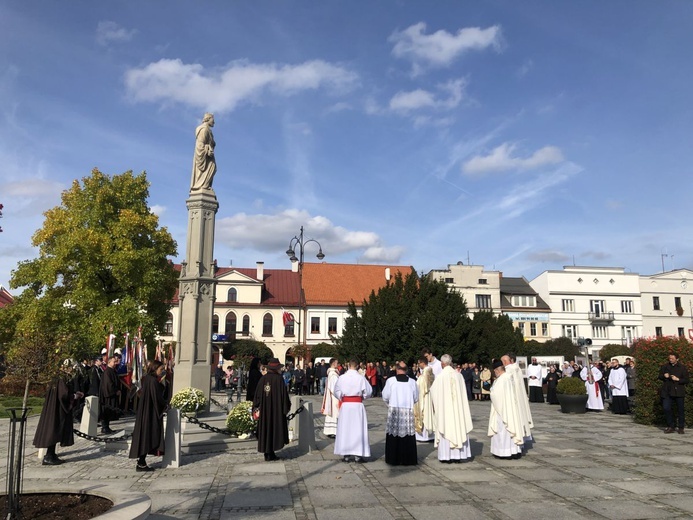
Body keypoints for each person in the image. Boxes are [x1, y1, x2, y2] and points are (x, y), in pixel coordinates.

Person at [33, 362, 84, 465]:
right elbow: (63, 395)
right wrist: (74, 396)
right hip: (57, 410)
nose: (71, 370)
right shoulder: (61, 378)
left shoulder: (58, 377)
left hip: (55, 408)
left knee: (54, 431)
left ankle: (51, 454)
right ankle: (49, 456)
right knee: (54, 431)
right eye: (70, 368)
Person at [429, 354, 474, 463]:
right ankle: (458, 456)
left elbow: (433, 393)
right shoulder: (459, 376)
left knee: (446, 428)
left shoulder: (440, 377)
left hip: (445, 411)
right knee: (458, 427)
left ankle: (446, 456)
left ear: (442, 364)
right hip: (458, 411)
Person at [129, 360, 168, 472]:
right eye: (161, 369)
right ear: (155, 368)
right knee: (148, 437)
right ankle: (141, 463)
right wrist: (166, 405)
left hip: (146, 411)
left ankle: (142, 462)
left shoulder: (148, 379)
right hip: (150, 413)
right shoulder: (153, 381)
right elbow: (157, 398)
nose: (162, 371)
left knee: (146, 437)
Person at [333, 360, 373, 463]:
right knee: (358, 429)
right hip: (357, 406)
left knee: (345, 428)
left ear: (348, 366)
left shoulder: (342, 378)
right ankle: (358, 455)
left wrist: (342, 397)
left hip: (346, 406)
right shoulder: (361, 378)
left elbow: (336, 391)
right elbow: (368, 391)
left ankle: (346, 454)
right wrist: (362, 397)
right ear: (357, 366)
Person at [253, 358, 291, 461]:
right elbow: (284, 396)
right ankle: (271, 452)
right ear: (277, 369)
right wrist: (285, 408)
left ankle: (267, 452)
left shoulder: (263, 379)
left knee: (266, 430)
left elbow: (257, 396)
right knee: (274, 430)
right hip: (276, 411)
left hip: (265, 412)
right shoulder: (279, 379)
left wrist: (257, 407)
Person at [382, 362, 419, 465]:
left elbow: (385, 396)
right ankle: (408, 460)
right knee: (407, 435)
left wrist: (390, 404)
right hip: (407, 411)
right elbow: (416, 397)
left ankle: (393, 459)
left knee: (394, 435)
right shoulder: (412, 382)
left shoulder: (391, 381)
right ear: (406, 370)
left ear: (397, 370)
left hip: (395, 410)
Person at [487, 361, 524, 458]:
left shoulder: (501, 380)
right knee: (512, 428)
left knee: (503, 430)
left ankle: (505, 452)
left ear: (497, 370)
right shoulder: (509, 377)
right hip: (511, 408)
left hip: (502, 410)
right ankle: (514, 451)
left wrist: (491, 391)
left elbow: (496, 395)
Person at [501, 354, 533, 446]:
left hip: (512, 398)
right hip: (519, 397)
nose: (503, 364)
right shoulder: (517, 368)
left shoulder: (509, 369)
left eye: (503, 361)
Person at [659, 353, 689, 434]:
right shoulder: (665, 366)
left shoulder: (682, 368)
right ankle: (670, 426)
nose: (670, 359)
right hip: (667, 391)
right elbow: (660, 376)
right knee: (666, 408)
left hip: (678, 391)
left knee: (680, 410)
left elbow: (686, 380)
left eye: (672, 358)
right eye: (669, 358)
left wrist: (678, 379)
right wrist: (664, 376)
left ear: (677, 359)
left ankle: (681, 427)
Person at [190, 112, 217, 191]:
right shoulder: (204, 129)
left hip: (208, 155)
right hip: (205, 155)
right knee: (212, 167)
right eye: (213, 119)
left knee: (213, 167)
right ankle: (202, 185)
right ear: (208, 119)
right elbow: (200, 144)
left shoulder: (207, 130)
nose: (214, 122)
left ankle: (205, 185)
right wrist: (207, 149)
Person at [414, 357, 435, 442]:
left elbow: (424, 385)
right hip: (427, 395)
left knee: (424, 413)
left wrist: (418, 380)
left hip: (424, 396)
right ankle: (426, 435)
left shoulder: (427, 371)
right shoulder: (427, 371)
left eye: (419, 363)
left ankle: (425, 436)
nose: (418, 365)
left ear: (423, 363)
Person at [99, 356, 121, 434]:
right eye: (114, 362)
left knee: (109, 412)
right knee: (106, 411)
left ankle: (107, 427)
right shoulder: (107, 372)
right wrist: (115, 391)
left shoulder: (112, 371)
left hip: (112, 394)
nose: (115, 363)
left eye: (116, 362)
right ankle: (105, 427)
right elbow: (108, 384)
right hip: (108, 395)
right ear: (109, 362)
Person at [321, 358, 340, 438]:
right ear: (333, 363)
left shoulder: (332, 373)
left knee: (332, 413)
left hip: (332, 396)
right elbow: (334, 387)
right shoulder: (333, 374)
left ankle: (330, 430)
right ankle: (333, 431)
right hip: (334, 397)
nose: (338, 364)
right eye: (337, 363)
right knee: (334, 412)